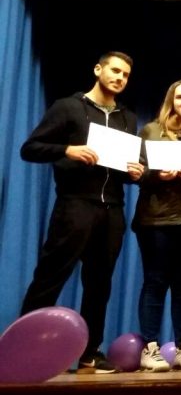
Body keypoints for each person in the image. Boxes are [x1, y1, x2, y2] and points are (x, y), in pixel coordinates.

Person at [20, 51, 143, 374]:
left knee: (100, 284)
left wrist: (135, 171)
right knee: (50, 277)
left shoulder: (127, 117)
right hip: (75, 205)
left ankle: (90, 352)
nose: (119, 78)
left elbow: (125, 165)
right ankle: (24, 344)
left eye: (126, 75)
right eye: (115, 71)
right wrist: (68, 150)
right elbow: (30, 148)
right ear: (98, 69)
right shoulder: (68, 107)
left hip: (112, 208)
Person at [134, 80, 181, 372]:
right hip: (156, 219)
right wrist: (157, 176)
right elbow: (136, 173)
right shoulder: (153, 130)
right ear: (171, 100)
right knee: (155, 281)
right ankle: (150, 348)